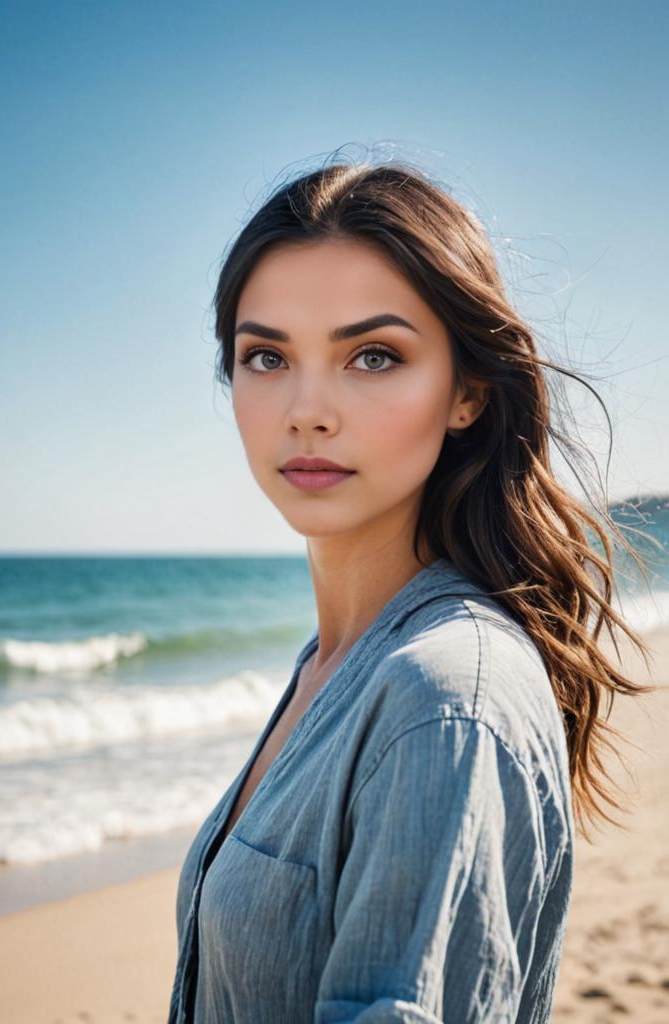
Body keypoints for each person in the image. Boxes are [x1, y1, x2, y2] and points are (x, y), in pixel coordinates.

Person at [168, 155, 654, 1023]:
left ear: (467, 391)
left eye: (374, 356)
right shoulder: (332, 664)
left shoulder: (444, 694)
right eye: (266, 356)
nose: (306, 409)